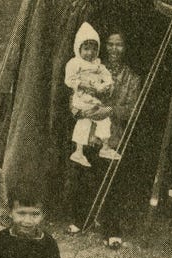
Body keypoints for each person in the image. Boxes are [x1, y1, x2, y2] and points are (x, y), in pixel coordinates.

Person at [67, 29, 141, 248]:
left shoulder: (132, 78)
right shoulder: (89, 67)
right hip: (88, 133)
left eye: (119, 45)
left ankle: (112, 230)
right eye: (110, 44)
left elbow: (133, 111)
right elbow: (74, 98)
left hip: (112, 136)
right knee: (83, 179)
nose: (114, 49)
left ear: (126, 48)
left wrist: (108, 111)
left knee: (112, 184)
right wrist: (79, 111)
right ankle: (81, 220)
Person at [65, 22, 120, 167]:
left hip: (94, 98)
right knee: (85, 120)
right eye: (86, 49)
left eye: (94, 49)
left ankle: (104, 147)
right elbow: (69, 80)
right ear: (79, 48)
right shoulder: (75, 63)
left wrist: (107, 85)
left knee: (103, 120)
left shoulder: (98, 64)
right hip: (82, 98)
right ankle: (79, 151)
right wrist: (83, 84)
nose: (90, 53)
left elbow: (106, 75)